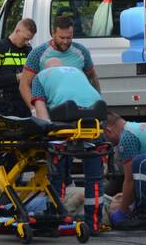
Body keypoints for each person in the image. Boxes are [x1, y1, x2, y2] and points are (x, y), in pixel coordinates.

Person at [30, 58, 106, 223]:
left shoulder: (40, 76)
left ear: (45, 68)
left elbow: (40, 107)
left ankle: (54, 218)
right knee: (94, 177)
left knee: (57, 171)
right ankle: (94, 222)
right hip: (94, 120)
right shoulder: (77, 72)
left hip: (68, 120)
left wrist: (47, 134)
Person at [19, 15, 100, 111]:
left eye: (69, 38)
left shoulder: (82, 51)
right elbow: (24, 85)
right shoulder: (38, 54)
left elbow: (93, 77)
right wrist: (35, 110)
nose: (65, 41)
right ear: (53, 33)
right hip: (54, 110)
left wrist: (97, 103)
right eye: (62, 37)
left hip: (83, 109)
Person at [0, 18, 36, 117]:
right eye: (25, 38)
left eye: (29, 39)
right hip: (5, 105)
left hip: (25, 103)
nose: (26, 42)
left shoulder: (28, 50)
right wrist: (18, 77)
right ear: (17, 31)